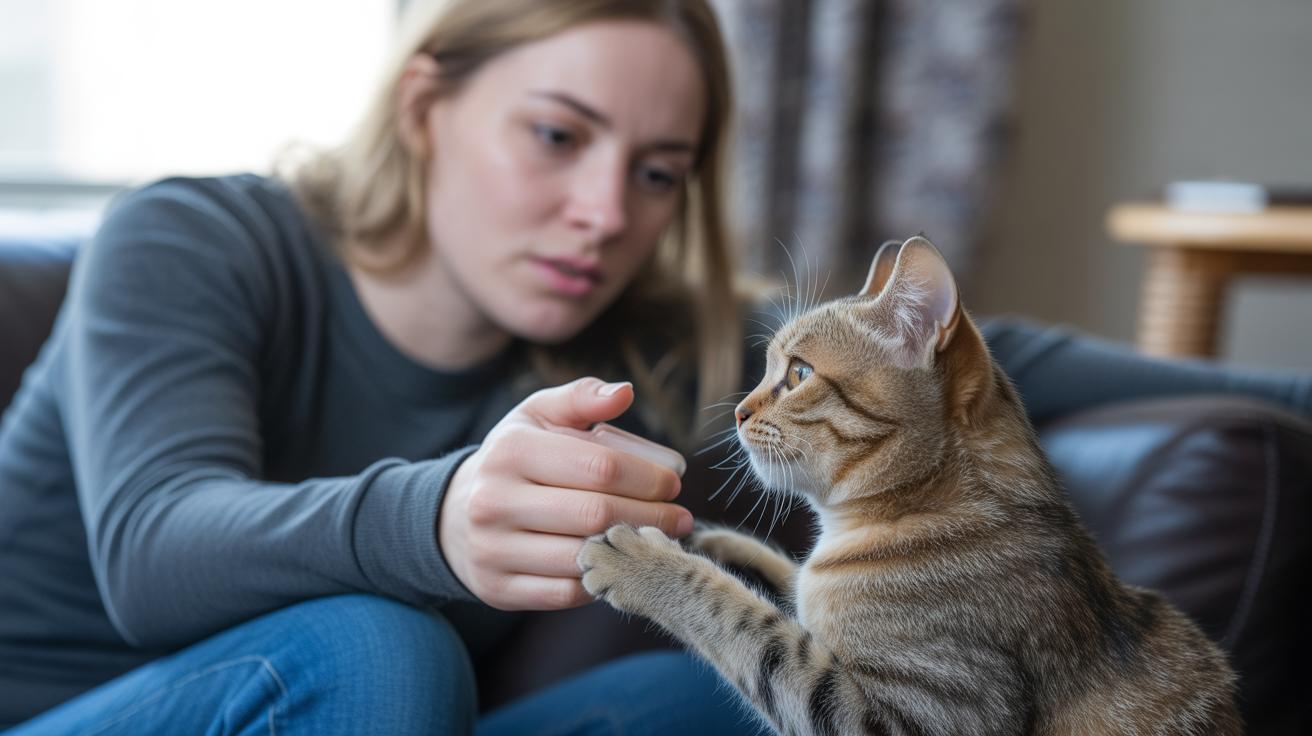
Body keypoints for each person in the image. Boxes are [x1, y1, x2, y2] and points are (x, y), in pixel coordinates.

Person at [1, 0, 1309, 733]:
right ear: (424, 104)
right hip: (90, 712)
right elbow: (153, 553)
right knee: (377, 648)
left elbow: (987, 361)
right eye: (556, 136)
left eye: (657, 172)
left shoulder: (644, 331)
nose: (603, 213)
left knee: (746, 667)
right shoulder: (191, 236)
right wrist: (435, 515)